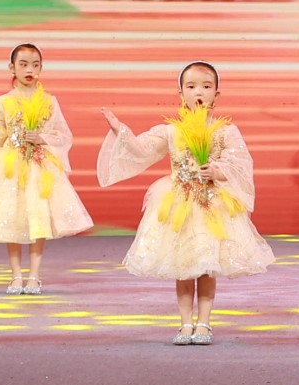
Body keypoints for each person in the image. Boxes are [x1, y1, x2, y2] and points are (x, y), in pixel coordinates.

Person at [98, 62, 274, 345]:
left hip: (212, 206)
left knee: (206, 265)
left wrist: (218, 170)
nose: (198, 93)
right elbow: (142, 149)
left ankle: (204, 322)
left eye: (206, 86)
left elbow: (240, 164)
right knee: (183, 265)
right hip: (179, 205)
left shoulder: (226, 131)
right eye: (191, 87)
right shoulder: (171, 131)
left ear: (217, 94)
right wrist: (122, 132)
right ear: (181, 94)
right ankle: (185, 323)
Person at [0, 43, 94, 294]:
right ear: (12, 68)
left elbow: (63, 134)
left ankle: (34, 275)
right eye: (23, 64)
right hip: (11, 167)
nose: (30, 70)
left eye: (35, 65)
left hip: (40, 167)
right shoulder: (3, 102)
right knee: (13, 218)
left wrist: (42, 138)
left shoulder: (49, 101)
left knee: (38, 218)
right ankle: (16, 275)